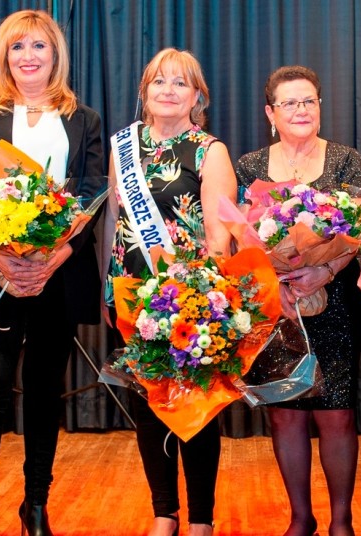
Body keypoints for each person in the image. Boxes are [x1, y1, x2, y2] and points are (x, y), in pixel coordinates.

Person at [0, 10, 104, 536]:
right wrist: (2, 258)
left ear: (55, 55)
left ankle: (35, 506)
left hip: (58, 276)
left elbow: (92, 195)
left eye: (39, 46)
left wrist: (53, 258)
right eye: (17, 47)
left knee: (43, 393)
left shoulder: (83, 117)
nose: (28, 56)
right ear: (4, 56)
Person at [102, 48, 237, 536]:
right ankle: (165, 513)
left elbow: (220, 238)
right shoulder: (123, 145)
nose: (168, 90)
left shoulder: (209, 150)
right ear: (144, 91)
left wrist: (201, 302)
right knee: (147, 407)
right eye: (159, 81)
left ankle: (200, 519)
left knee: (194, 410)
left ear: (198, 96)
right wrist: (108, 288)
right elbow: (114, 221)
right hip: (132, 295)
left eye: (181, 83)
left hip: (188, 300)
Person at [235, 65, 361, 536]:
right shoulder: (250, 166)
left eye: (309, 100)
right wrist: (278, 283)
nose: (301, 110)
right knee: (285, 414)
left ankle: (341, 522)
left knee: (337, 414)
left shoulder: (346, 159)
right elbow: (240, 240)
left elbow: (359, 230)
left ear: (320, 107)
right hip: (275, 306)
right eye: (289, 102)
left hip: (336, 302)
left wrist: (324, 270)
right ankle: (300, 518)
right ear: (270, 113)